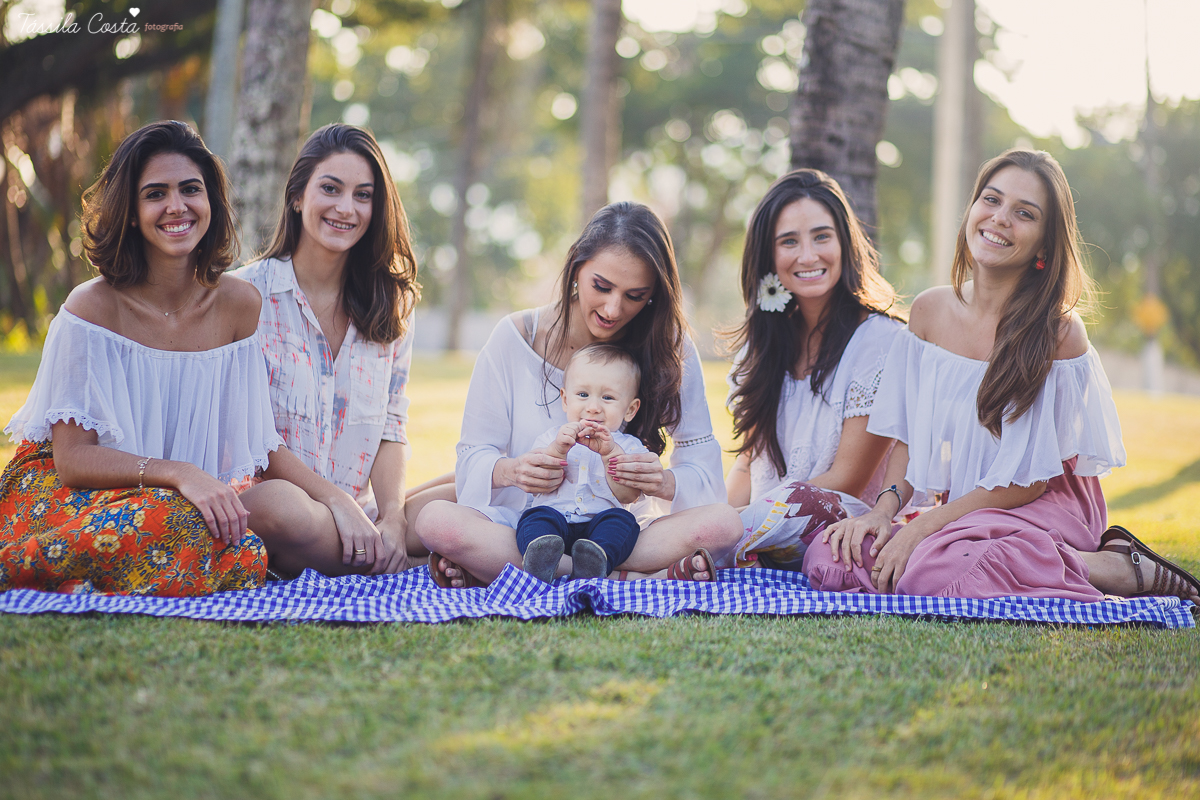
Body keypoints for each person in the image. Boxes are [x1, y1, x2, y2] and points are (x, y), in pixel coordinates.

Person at [0, 121, 385, 595]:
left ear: (211, 203)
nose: (176, 206)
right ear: (131, 211)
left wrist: (338, 499)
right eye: (155, 194)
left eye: (190, 190)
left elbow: (262, 445)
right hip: (76, 496)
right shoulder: (90, 308)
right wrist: (181, 474)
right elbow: (73, 459)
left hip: (184, 497)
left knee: (253, 513)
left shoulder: (239, 305)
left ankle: (411, 551)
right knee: (187, 523)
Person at [812, 148, 1200, 604]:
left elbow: (1027, 482)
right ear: (972, 208)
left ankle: (1112, 567)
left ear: (1045, 244)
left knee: (935, 574)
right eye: (991, 200)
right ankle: (961, 553)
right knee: (827, 554)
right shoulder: (928, 313)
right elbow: (908, 441)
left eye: (1024, 213)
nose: (999, 219)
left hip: (1041, 509)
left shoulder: (1059, 334)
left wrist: (929, 527)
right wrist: (883, 512)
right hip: (966, 516)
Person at [416, 202, 741, 587]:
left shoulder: (669, 347)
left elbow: (703, 470)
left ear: (654, 295)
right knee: (436, 521)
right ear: (576, 268)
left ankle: (539, 570)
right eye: (601, 286)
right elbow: (473, 452)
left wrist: (663, 482)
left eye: (635, 295)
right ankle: (628, 579)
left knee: (725, 523)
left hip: (618, 533)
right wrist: (514, 471)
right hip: (524, 529)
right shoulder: (513, 337)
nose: (613, 308)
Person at [236, 124, 426, 575]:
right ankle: (418, 563)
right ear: (298, 195)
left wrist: (394, 516)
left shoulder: (393, 303)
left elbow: (391, 428)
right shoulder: (245, 296)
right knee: (280, 506)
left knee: (464, 489)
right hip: (279, 508)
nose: (347, 208)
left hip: (360, 514)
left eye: (363, 195)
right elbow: (253, 438)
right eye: (331, 188)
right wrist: (337, 502)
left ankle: (390, 548)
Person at [723, 169, 905, 571]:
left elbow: (848, 479)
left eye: (822, 236)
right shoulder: (762, 348)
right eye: (789, 241)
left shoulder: (879, 341)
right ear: (768, 256)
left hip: (838, 521)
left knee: (799, 501)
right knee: (695, 508)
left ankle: (706, 547)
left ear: (844, 242)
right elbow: (745, 466)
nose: (808, 256)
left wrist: (730, 525)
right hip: (763, 524)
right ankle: (698, 549)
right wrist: (723, 513)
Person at [517, 343, 648, 583]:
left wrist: (610, 455)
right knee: (535, 518)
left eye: (607, 397)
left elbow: (629, 496)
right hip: (555, 520)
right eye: (583, 395)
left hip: (599, 527)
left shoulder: (629, 448)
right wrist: (558, 450)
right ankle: (539, 557)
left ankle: (595, 561)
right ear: (565, 400)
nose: (594, 407)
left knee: (624, 522)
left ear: (630, 409)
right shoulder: (551, 438)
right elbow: (537, 484)